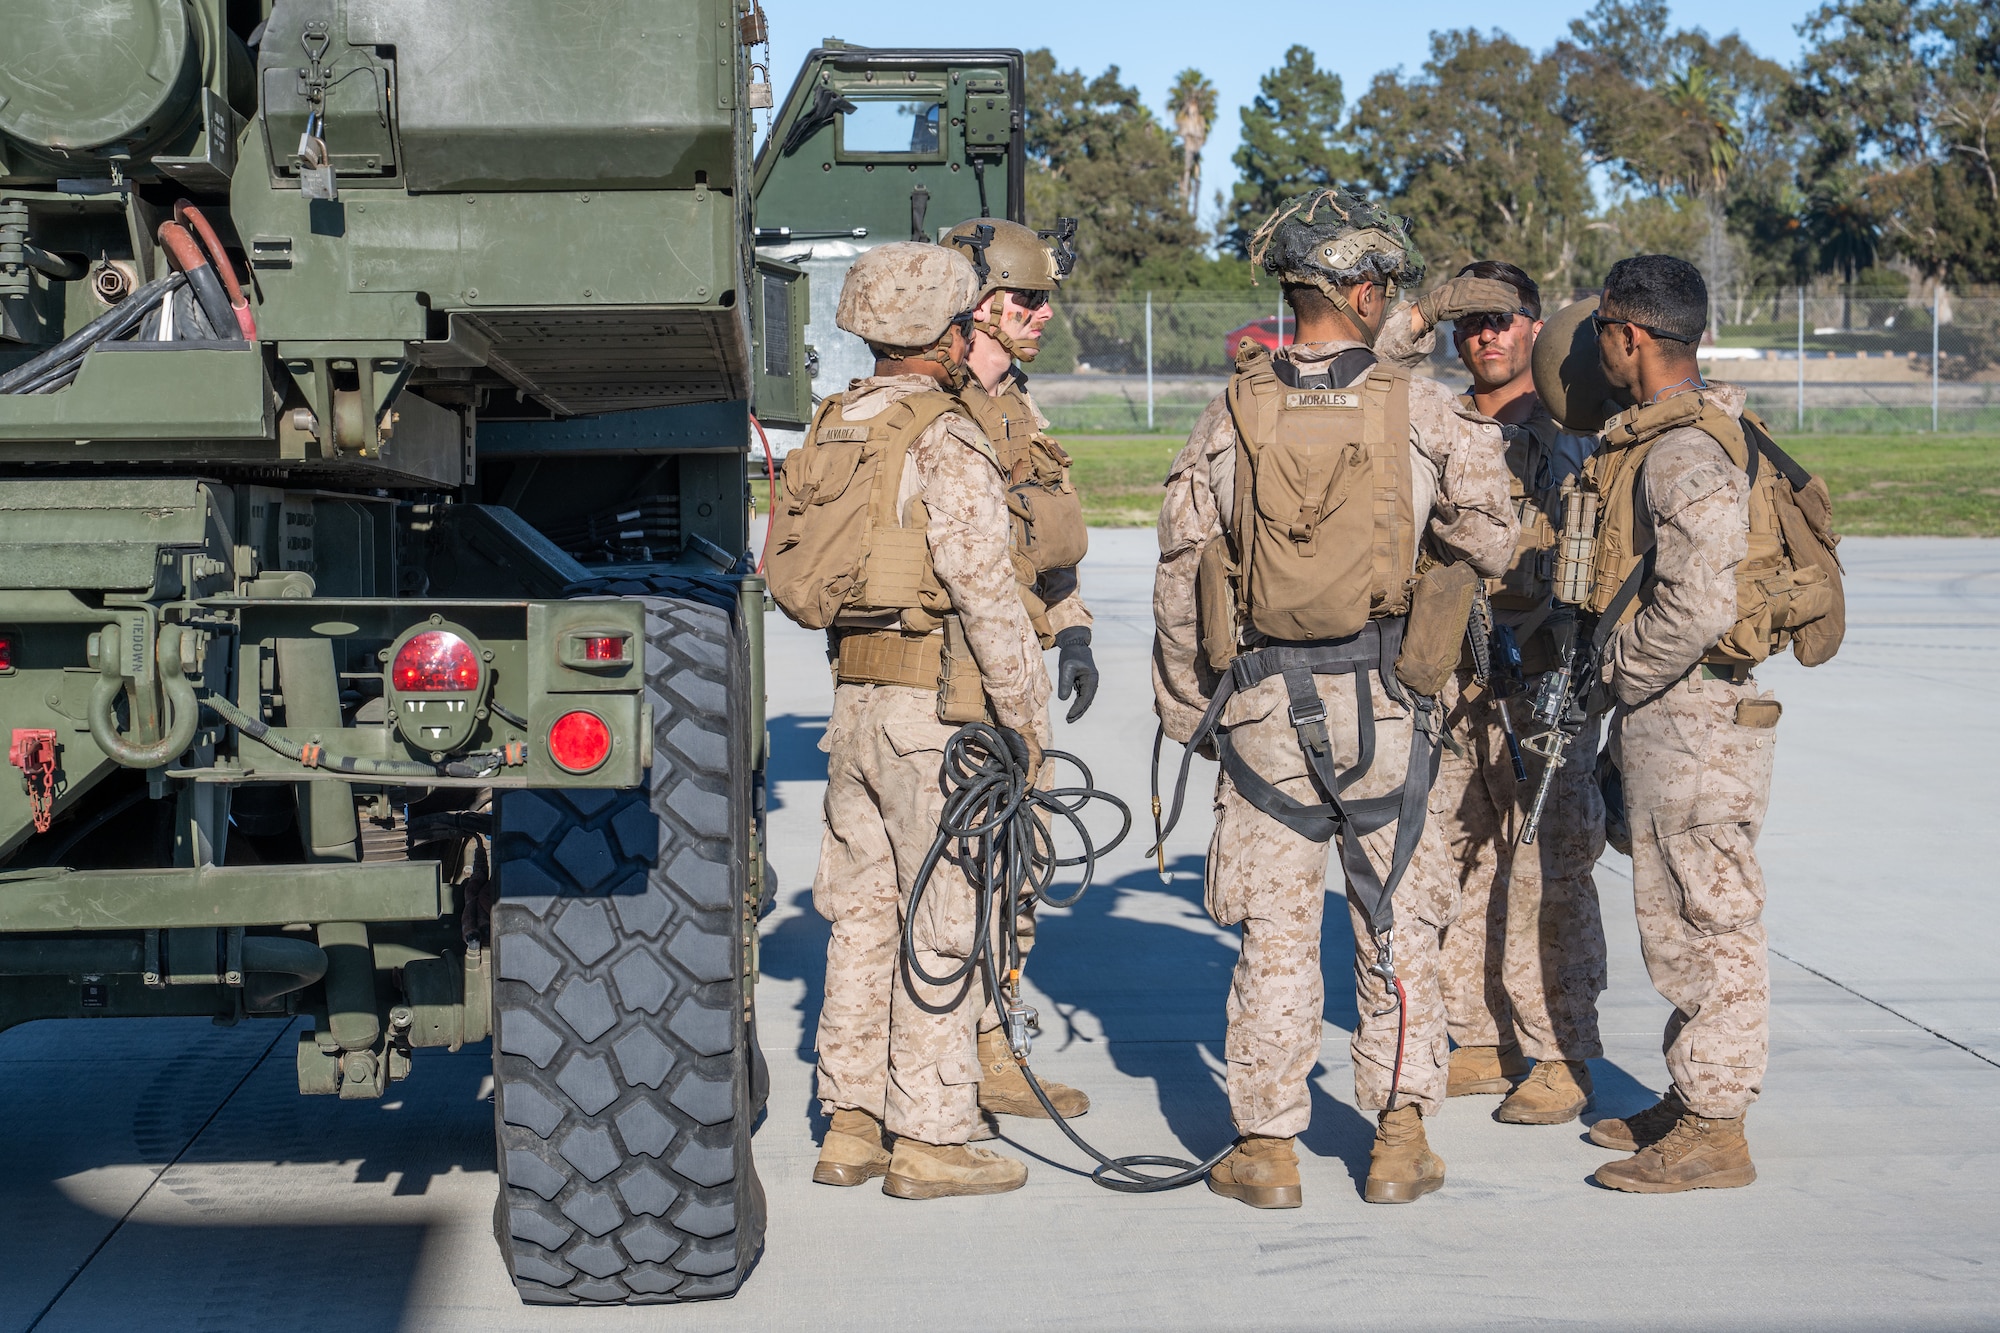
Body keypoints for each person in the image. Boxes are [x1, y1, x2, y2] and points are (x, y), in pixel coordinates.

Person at [1152, 188, 1517, 1208]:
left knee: (1273, 932)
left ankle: (1266, 1151)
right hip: (1392, 703)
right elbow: (1493, 539)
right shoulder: (1425, 409)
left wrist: (1191, 711)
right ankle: (1397, 1139)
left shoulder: (1229, 411)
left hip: (1261, 707)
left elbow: (1181, 568)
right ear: (1360, 293)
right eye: (1385, 287)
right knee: (1396, 922)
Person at [784, 242, 1048, 1199]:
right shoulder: (944, 433)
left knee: (860, 920)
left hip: (854, 705)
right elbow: (985, 589)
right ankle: (932, 1136)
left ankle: (851, 1125)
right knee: (944, 918)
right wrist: (1027, 723)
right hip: (932, 713)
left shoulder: (837, 422)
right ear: (946, 333)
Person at [1574, 254, 1777, 1192]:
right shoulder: (1678, 435)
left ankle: (1717, 1127)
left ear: (1631, 336)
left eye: (1601, 332)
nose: (1597, 349)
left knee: (1709, 921)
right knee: (1678, 918)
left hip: (1692, 718)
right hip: (1680, 716)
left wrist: (1616, 673)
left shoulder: (1683, 453)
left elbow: (1698, 603)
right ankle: (1693, 1093)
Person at [1394, 261, 1611, 1124]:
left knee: (1550, 864)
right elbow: (1360, 365)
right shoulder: (1432, 419)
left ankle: (1563, 1051)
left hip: (1546, 674)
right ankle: (1481, 1035)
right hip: (1453, 675)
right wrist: (1421, 310)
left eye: (1503, 318)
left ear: (1535, 328)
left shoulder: (1579, 431)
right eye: (1471, 320)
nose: (1485, 334)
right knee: (1455, 855)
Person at [941, 217, 1097, 1128]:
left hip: (1014, 673)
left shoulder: (1018, 410)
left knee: (1015, 866)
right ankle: (938, 1068)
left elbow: (1048, 540)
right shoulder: (937, 410)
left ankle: (995, 1044)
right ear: (979, 304)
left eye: (1043, 300)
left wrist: (1072, 631)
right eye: (1026, 300)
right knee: (946, 879)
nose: (1042, 315)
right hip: (952, 684)